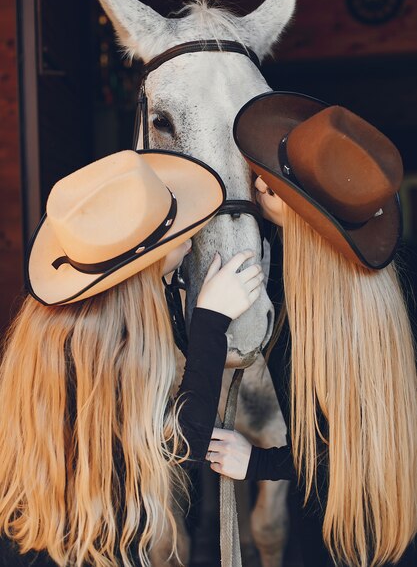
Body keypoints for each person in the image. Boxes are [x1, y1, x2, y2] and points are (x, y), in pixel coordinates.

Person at [0, 149, 264, 567]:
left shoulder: (50, 330)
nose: (191, 239)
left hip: (38, 537)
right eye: (177, 234)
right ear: (147, 261)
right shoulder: (120, 343)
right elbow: (181, 442)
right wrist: (210, 323)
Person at [208, 94, 417, 567]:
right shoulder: (388, 280)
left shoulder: (290, 296)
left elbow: (348, 451)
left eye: (278, 186)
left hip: (351, 537)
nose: (259, 180)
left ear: (307, 218)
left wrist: (259, 462)